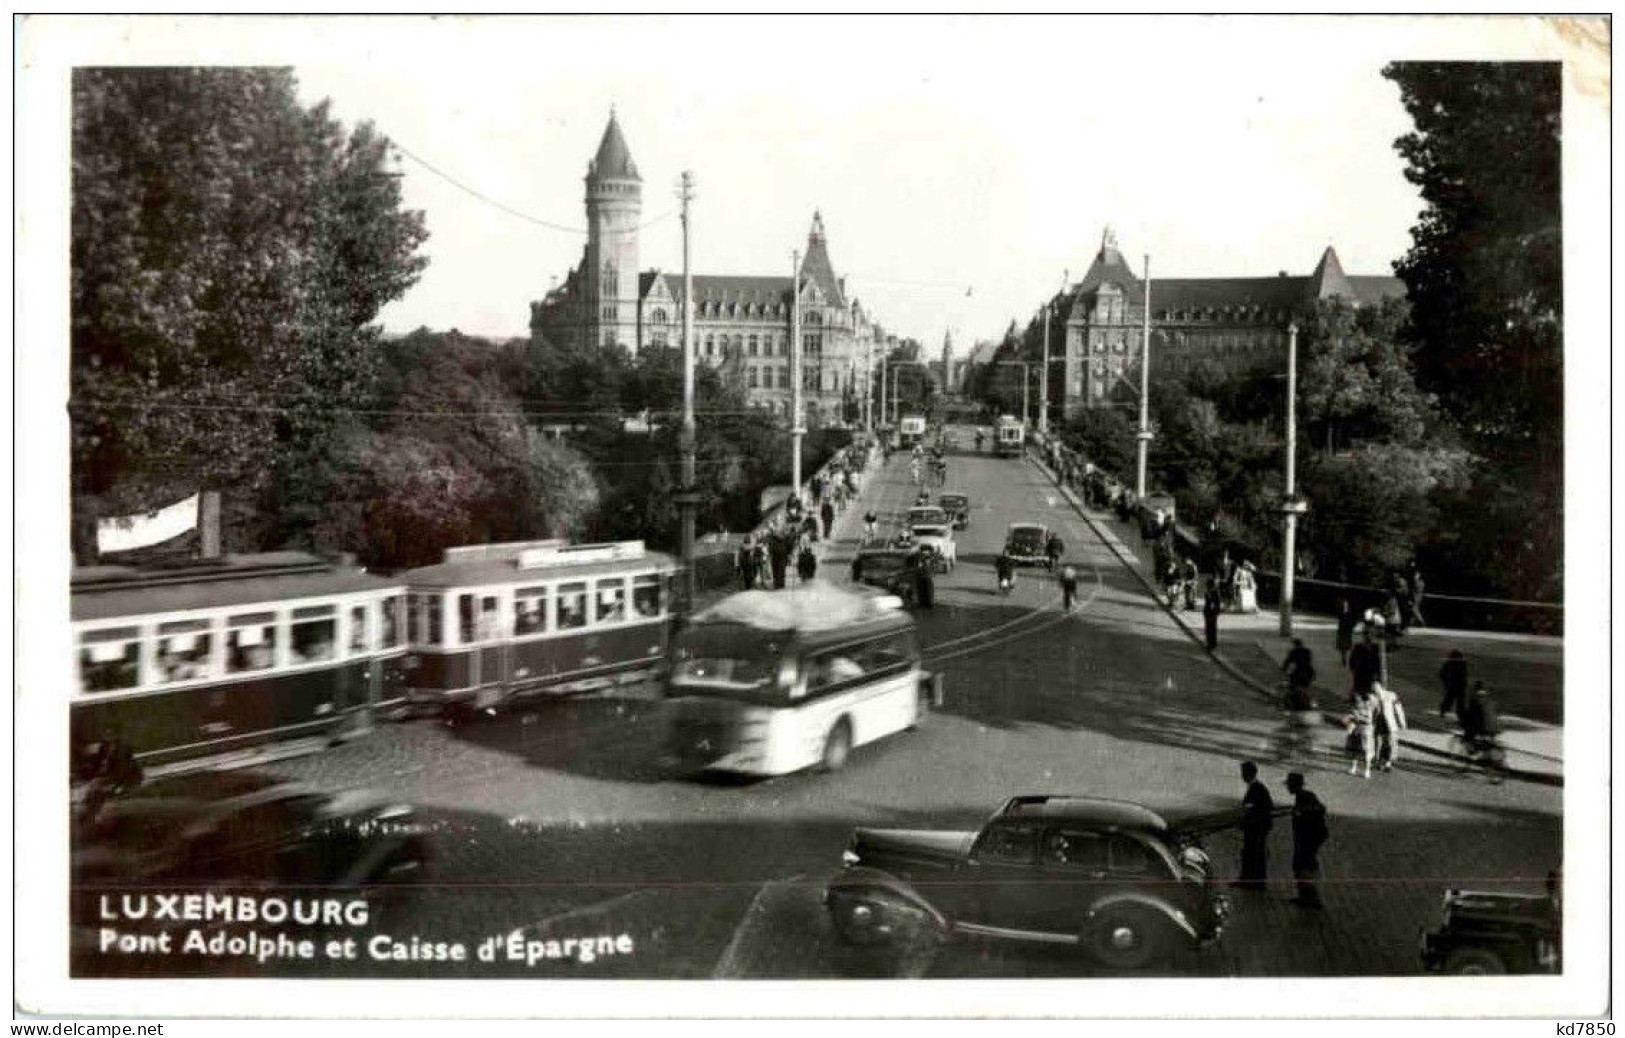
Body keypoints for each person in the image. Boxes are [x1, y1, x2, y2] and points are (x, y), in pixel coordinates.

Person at [1284, 772, 1328, 908]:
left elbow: (1320, 809)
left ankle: (1310, 898)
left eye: (1289, 785)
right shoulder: (1302, 796)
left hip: (1310, 838)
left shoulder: (1304, 797)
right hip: (1309, 837)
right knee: (1301, 865)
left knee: (1302, 865)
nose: (1288, 788)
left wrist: (1301, 813)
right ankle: (1305, 896)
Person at [1237, 761, 1274, 891]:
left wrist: (1250, 817)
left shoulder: (1257, 788)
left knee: (1255, 853)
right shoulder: (1255, 787)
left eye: (1244, 773)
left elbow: (1265, 807)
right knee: (1249, 853)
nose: (1242, 776)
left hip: (1257, 828)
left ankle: (1255, 882)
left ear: (1250, 774)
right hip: (1254, 827)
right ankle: (1248, 879)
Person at [1372, 681, 1407, 772]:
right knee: (1378, 742)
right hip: (1378, 722)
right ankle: (1378, 761)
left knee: (1390, 743)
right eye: (1374, 690)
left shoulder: (1391, 695)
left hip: (1389, 723)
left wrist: (1402, 721)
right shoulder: (1373, 698)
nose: (1376, 691)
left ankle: (1388, 763)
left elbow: (1398, 709)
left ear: (1381, 687)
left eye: (1377, 689)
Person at [1345, 687, 1376, 779]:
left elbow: (1369, 720)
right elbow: (1351, 717)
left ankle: (1367, 770)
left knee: (1366, 751)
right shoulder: (1354, 707)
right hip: (1356, 730)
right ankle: (1353, 767)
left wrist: (1357, 718)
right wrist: (1349, 719)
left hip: (1366, 731)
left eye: (1357, 699)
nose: (1356, 701)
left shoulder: (1367, 707)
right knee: (1354, 750)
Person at [1462, 681, 1500, 750]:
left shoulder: (1475, 699)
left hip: (1481, 726)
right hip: (1492, 726)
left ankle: (1471, 750)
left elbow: (1473, 714)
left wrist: (1464, 721)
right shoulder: (1489, 699)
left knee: (1469, 734)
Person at [1347, 624, 1382, 697]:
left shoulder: (1375, 648)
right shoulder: (1358, 648)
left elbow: (1378, 664)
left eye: (1371, 634)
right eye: (1366, 633)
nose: (1369, 636)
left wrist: (1378, 678)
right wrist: (1352, 684)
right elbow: (1352, 666)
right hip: (1360, 679)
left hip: (1372, 679)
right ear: (1363, 635)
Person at [1282, 638, 1315, 711]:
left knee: (1292, 685)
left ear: (1295, 645)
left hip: (1298, 672)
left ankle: (1294, 701)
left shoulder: (1293, 652)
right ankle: (1307, 700)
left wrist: (1283, 670)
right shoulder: (1307, 651)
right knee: (1307, 686)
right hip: (1308, 671)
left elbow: (1287, 662)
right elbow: (1309, 661)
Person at [1439, 649, 1469, 724]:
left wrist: (1446, 683)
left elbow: (1442, 675)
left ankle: (1444, 711)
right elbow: (1464, 675)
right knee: (1457, 702)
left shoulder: (1448, 664)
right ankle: (1460, 717)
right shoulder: (1462, 664)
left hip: (1454, 686)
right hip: (1457, 686)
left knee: (1451, 701)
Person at [1334, 598, 1357, 668]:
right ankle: (1344, 656)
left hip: (1346, 630)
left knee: (1346, 645)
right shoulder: (1341, 612)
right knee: (1342, 646)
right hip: (1343, 630)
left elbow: (1353, 620)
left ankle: (1345, 656)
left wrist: (1351, 627)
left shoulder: (1350, 612)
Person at [1202, 578, 1222, 650]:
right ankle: (1210, 643)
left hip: (1212, 612)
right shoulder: (1208, 592)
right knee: (1208, 628)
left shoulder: (1214, 592)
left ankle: (1212, 643)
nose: (1207, 587)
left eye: (1208, 586)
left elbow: (1216, 603)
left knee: (1212, 628)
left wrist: (1216, 612)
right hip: (1208, 612)